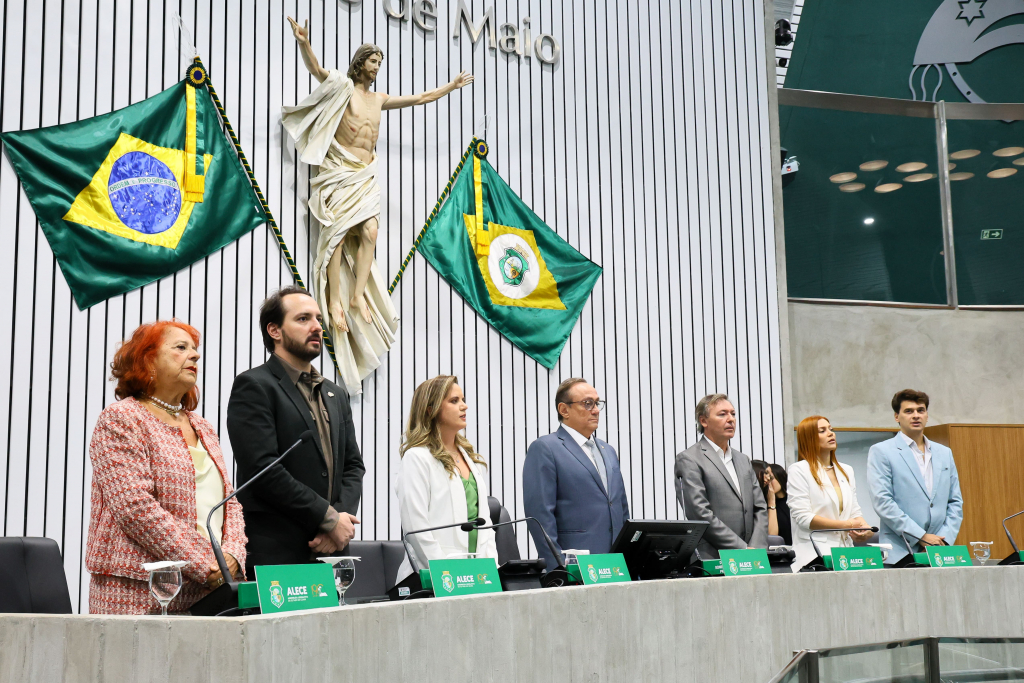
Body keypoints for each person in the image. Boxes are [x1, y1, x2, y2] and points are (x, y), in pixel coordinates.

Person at [282, 18, 473, 395]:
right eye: (373, 61)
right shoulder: (342, 87)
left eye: (380, 63)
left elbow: (419, 99)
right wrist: (304, 42)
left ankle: (356, 296)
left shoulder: (380, 99)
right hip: (339, 169)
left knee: (370, 231)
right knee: (336, 236)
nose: (377, 67)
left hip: (366, 172)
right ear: (360, 63)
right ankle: (335, 300)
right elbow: (317, 70)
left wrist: (451, 87)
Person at [85, 321, 246, 614]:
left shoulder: (203, 427)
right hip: (138, 593)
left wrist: (232, 556)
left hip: (208, 592)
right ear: (148, 361)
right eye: (181, 348)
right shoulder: (121, 419)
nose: (195, 356)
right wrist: (206, 564)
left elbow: (229, 501)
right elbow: (135, 509)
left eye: (196, 350)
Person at [227, 286, 365, 578]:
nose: (316, 326)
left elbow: (353, 466)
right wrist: (327, 518)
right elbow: (263, 469)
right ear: (274, 330)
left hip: (332, 551)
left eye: (317, 318)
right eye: (303, 319)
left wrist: (339, 523)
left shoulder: (335, 393)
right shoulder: (255, 386)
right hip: (279, 551)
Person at [394, 376, 498, 583]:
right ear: (430, 409)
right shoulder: (417, 457)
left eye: (463, 399)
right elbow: (416, 529)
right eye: (454, 401)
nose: (464, 406)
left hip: (477, 576)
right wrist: (446, 574)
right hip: (435, 578)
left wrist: (492, 570)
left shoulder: (472, 460)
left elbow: (486, 528)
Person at [522, 379, 630, 572]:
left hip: (614, 565)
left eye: (597, 403)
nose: (595, 410)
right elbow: (540, 516)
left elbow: (620, 508)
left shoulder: (608, 450)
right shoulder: (546, 448)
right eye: (587, 403)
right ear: (564, 410)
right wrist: (558, 567)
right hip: (574, 565)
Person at [868, 389, 963, 564]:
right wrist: (921, 536)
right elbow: (883, 501)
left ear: (927, 415)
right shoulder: (882, 451)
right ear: (897, 416)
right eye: (908, 411)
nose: (916, 416)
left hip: (940, 548)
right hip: (900, 550)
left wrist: (944, 538)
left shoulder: (944, 452)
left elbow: (955, 501)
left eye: (921, 410)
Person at [675, 394, 768, 559]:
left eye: (733, 413)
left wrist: (756, 548)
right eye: (722, 414)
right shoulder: (690, 459)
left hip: (753, 555)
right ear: (704, 421)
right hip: (713, 556)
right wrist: (742, 549)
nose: (731, 419)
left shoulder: (743, 459)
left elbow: (760, 507)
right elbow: (700, 513)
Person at [787, 416, 873, 571]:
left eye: (831, 429)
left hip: (846, 552)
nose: (830, 433)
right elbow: (803, 517)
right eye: (822, 431)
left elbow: (854, 510)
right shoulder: (799, 470)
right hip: (814, 555)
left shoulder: (846, 470)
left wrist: (865, 528)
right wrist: (846, 525)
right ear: (809, 438)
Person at [752, 460, 792, 546]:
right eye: (766, 475)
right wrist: (771, 502)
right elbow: (772, 536)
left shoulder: (792, 501)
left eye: (772, 477)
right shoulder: (763, 504)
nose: (768, 480)